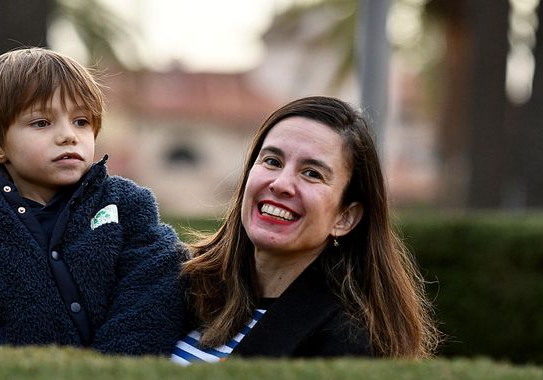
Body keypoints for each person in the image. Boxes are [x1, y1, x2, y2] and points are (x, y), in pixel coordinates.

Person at [0, 47, 184, 353]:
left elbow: (154, 292)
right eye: (42, 123)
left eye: (81, 121)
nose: (68, 135)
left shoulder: (127, 207)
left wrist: (108, 373)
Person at [171, 96, 437, 364]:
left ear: (344, 218)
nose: (281, 184)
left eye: (312, 173)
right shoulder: (180, 282)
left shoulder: (348, 341)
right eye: (272, 161)